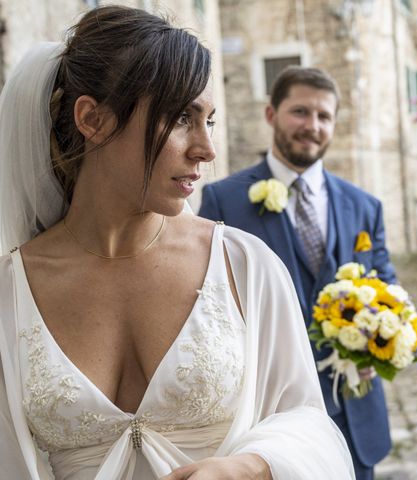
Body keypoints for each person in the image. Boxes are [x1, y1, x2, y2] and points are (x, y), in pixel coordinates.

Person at [0, 6, 355, 479]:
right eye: (182, 117)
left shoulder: (244, 265)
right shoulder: (11, 290)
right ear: (93, 119)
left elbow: (308, 418)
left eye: (208, 120)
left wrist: (250, 467)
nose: (206, 150)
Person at [199, 66, 395, 480]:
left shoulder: (364, 206)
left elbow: (386, 288)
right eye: (300, 112)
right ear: (271, 114)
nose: (313, 126)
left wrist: (382, 340)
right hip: (268, 423)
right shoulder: (224, 201)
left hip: (354, 416)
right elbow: (202, 303)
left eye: (324, 116)